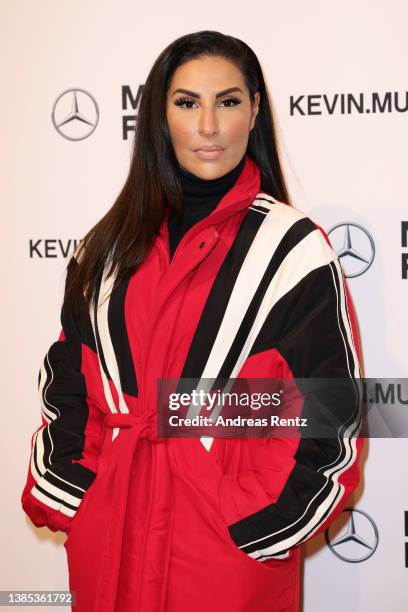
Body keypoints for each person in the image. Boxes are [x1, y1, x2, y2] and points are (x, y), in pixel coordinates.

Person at [21, 30, 364, 612]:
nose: (208, 126)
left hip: (221, 564)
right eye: (187, 103)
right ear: (159, 114)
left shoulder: (292, 251)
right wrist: (83, 495)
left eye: (227, 102)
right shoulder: (104, 250)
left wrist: (246, 514)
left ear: (254, 111)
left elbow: (331, 409)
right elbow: (70, 386)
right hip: (110, 552)